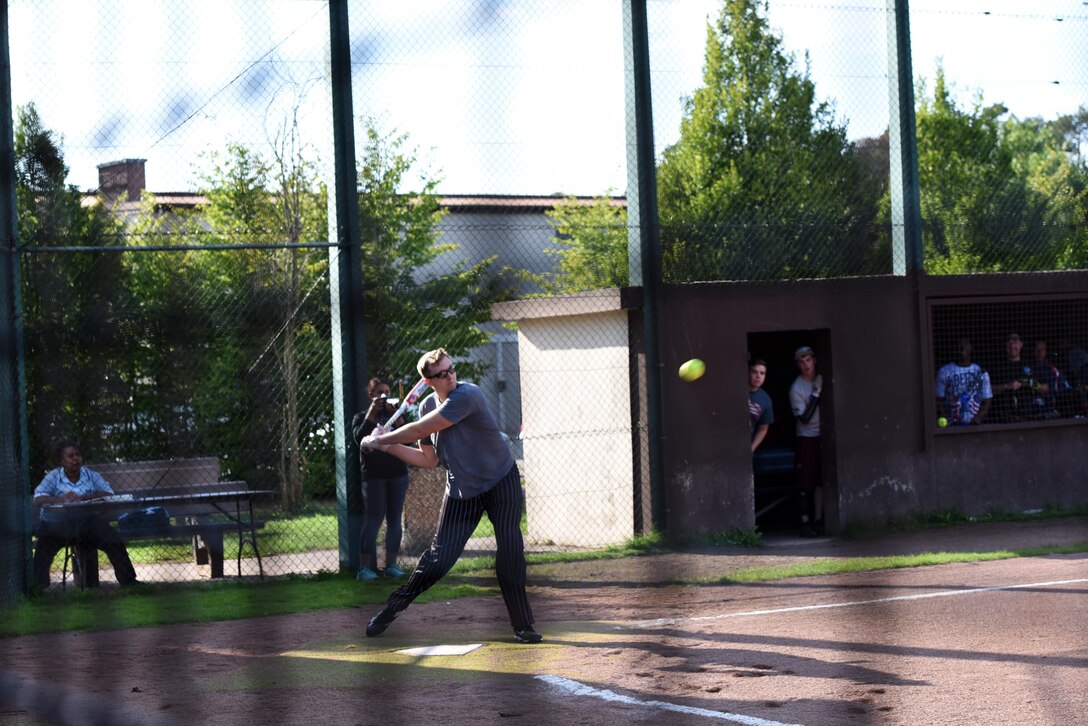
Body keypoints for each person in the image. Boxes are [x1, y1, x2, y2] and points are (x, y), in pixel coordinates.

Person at [359, 348, 541, 644]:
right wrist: (384, 446)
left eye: (452, 369)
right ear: (429, 381)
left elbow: (426, 426)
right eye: (442, 374)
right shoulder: (425, 405)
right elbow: (428, 460)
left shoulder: (468, 396)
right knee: (437, 560)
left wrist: (382, 438)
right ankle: (391, 609)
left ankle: (523, 625)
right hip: (462, 490)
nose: (451, 376)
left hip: (500, 480)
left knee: (509, 549)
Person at [32, 441, 139, 589]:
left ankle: (129, 581)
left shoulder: (91, 475)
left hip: (87, 525)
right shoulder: (53, 477)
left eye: (78, 455)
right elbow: (38, 499)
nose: (75, 458)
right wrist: (62, 499)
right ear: (62, 461)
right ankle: (38, 586)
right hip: (57, 526)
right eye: (70, 456)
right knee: (43, 546)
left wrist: (82, 499)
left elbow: (108, 493)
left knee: (114, 539)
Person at [351, 377, 410, 581]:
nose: (383, 396)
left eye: (387, 392)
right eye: (379, 393)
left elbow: (409, 437)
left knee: (395, 520)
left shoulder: (394, 416)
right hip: (374, 477)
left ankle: (391, 566)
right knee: (373, 519)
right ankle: (364, 569)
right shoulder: (361, 417)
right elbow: (360, 439)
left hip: (397, 474)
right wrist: (372, 413)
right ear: (371, 395)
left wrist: (398, 414)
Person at [789, 346, 823, 538]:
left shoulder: (822, 378)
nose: (806, 365)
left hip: (823, 437)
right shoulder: (796, 388)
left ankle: (818, 521)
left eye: (808, 360)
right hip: (806, 438)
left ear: (814, 360)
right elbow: (804, 418)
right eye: (801, 361)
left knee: (820, 481)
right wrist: (816, 393)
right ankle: (805, 523)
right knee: (805, 483)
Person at [935, 338, 992, 425]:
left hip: (974, 425)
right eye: (959, 344)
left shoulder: (981, 371)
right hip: (952, 425)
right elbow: (939, 400)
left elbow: (987, 399)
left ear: (971, 347)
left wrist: (978, 418)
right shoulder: (944, 371)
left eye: (966, 343)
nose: (962, 347)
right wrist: (945, 419)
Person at [989, 332, 1036, 423]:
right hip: (1002, 417)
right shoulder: (997, 367)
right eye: (1009, 342)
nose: (1012, 345)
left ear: (1021, 344)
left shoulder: (1029, 365)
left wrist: (1026, 383)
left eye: (1015, 341)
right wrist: (1006, 386)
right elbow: (988, 390)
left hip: (1026, 416)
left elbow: (1044, 387)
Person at [748, 359, 773, 453]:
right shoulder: (737, 390)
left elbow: (763, 429)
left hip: (746, 446)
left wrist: (751, 448)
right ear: (748, 372)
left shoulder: (765, 400)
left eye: (762, 373)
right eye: (754, 372)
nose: (758, 376)